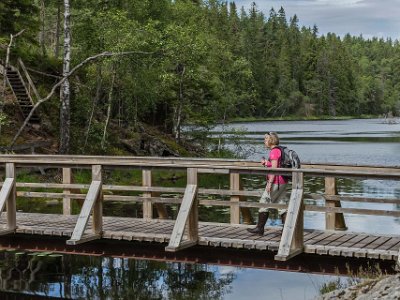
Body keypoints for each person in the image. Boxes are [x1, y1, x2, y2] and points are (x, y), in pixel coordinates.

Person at [247, 132, 288, 235]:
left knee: (264, 202)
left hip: (275, 182)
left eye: (265, 139)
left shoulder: (274, 152)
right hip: (282, 181)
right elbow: (276, 165)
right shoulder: (279, 150)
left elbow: (274, 169)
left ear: (270, 140)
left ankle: (259, 229)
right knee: (281, 204)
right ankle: (287, 230)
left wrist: (269, 183)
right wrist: (267, 163)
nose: (264, 141)